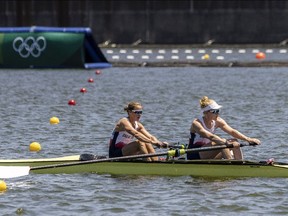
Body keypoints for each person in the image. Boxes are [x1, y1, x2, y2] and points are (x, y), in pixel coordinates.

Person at [187, 96, 261, 160]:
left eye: (218, 111)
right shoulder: (196, 123)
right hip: (194, 154)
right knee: (220, 142)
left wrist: (248, 139)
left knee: (234, 141)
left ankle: (239, 164)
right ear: (206, 112)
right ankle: (231, 164)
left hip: (208, 151)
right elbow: (211, 137)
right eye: (214, 111)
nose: (217, 113)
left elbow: (232, 131)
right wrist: (226, 142)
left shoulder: (218, 120)